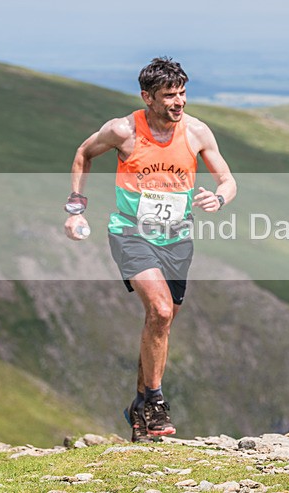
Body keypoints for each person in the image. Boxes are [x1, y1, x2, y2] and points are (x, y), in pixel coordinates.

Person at [63, 57, 237, 442]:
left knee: (162, 320)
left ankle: (139, 407)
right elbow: (83, 154)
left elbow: (228, 181)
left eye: (183, 93)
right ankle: (156, 404)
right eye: (169, 96)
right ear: (147, 97)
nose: (179, 103)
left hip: (177, 240)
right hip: (131, 234)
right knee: (159, 309)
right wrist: (76, 208)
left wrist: (218, 199)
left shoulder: (196, 133)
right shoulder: (122, 131)